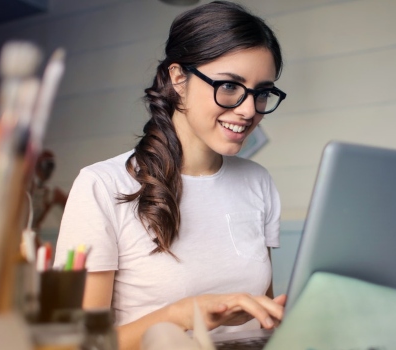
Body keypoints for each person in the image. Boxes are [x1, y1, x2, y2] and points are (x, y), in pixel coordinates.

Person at [53, 2, 288, 349]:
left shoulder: (258, 181)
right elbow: (78, 344)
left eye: (262, 92)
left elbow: (262, 321)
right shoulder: (102, 186)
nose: (249, 109)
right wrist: (180, 315)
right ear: (179, 78)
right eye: (229, 86)